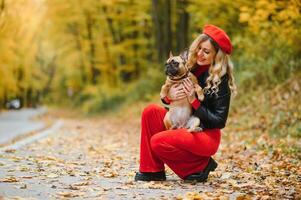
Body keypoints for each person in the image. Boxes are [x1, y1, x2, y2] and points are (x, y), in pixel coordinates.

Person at [135, 24, 237, 182]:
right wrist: (168, 97)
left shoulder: (220, 82)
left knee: (158, 141)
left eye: (207, 51)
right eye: (199, 48)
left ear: (217, 56)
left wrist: (194, 101)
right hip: (182, 120)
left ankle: (200, 165)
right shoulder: (187, 65)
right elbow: (173, 100)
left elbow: (219, 121)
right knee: (150, 111)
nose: (200, 54)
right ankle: (152, 170)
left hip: (204, 132)